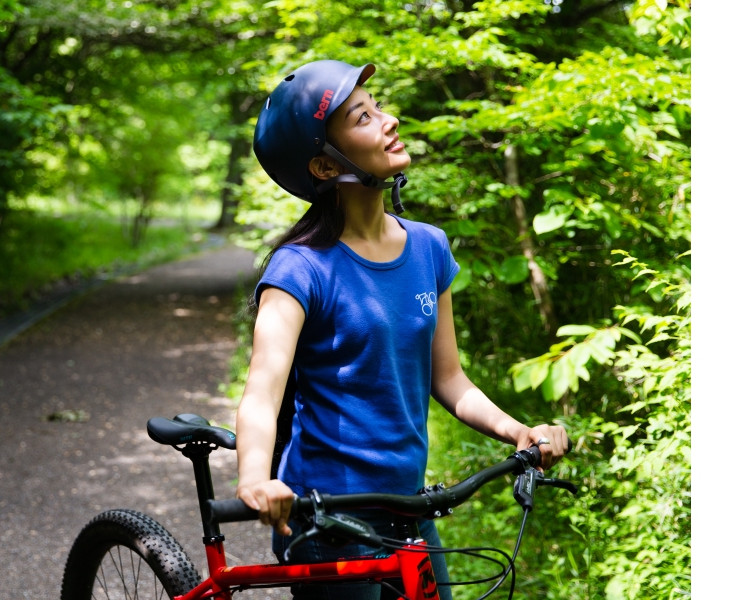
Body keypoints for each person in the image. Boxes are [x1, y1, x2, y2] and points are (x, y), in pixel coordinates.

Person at [233, 60, 569, 600]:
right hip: (328, 515)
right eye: (362, 117)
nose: (388, 121)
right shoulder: (301, 269)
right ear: (324, 165)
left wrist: (518, 431)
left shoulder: (429, 247)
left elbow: (449, 377)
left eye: (378, 107)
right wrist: (255, 477)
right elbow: (262, 391)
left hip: (410, 508)